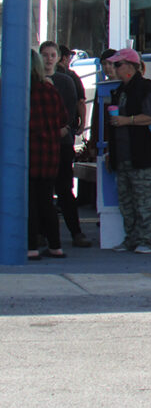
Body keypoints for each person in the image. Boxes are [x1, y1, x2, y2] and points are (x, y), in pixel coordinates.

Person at [106, 48, 151, 253]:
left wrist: (127, 120)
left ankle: (146, 241)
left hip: (144, 155)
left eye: (118, 64)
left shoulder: (144, 87)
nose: (113, 68)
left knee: (145, 200)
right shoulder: (119, 90)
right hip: (123, 156)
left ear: (131, 67)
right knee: (126, 201)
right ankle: (131, 239)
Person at [39, 41, 91, 247]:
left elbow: (70, 109)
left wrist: (65, 128)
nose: (49, 59)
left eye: (53, 55)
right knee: (42, 190)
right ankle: (41, 233)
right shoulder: (33, 81)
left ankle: (76, 232)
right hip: (42, 144)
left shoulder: (66, 80)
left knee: (64, 189)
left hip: (61, 142)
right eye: (45, 55)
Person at [28, 50, 69, 261]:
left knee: (29, 203)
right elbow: (63, 121)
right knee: (47, 202)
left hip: (26, 154)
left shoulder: (18, 91)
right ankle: (55, 246)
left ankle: (31, 246)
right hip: (50, 154)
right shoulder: (51, 91)